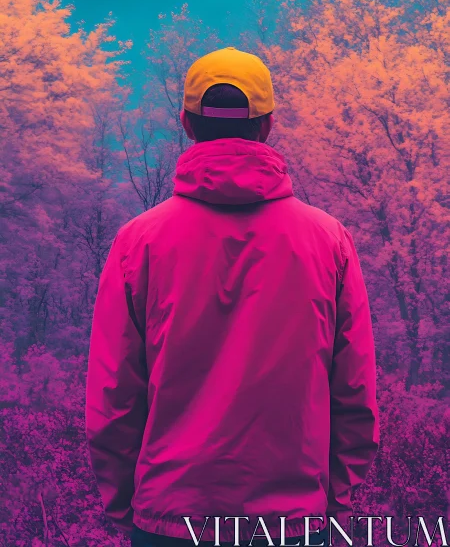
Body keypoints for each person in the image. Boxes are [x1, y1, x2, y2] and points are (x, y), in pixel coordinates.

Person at [85, 46, 379, 547]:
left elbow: (115, 392)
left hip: (168, 517)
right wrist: (336, 501)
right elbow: (353, 390)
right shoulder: (328, 240)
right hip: (293, 519)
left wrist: (124, 506)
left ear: (185, 122)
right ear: (267, 126)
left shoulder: (139, 242)